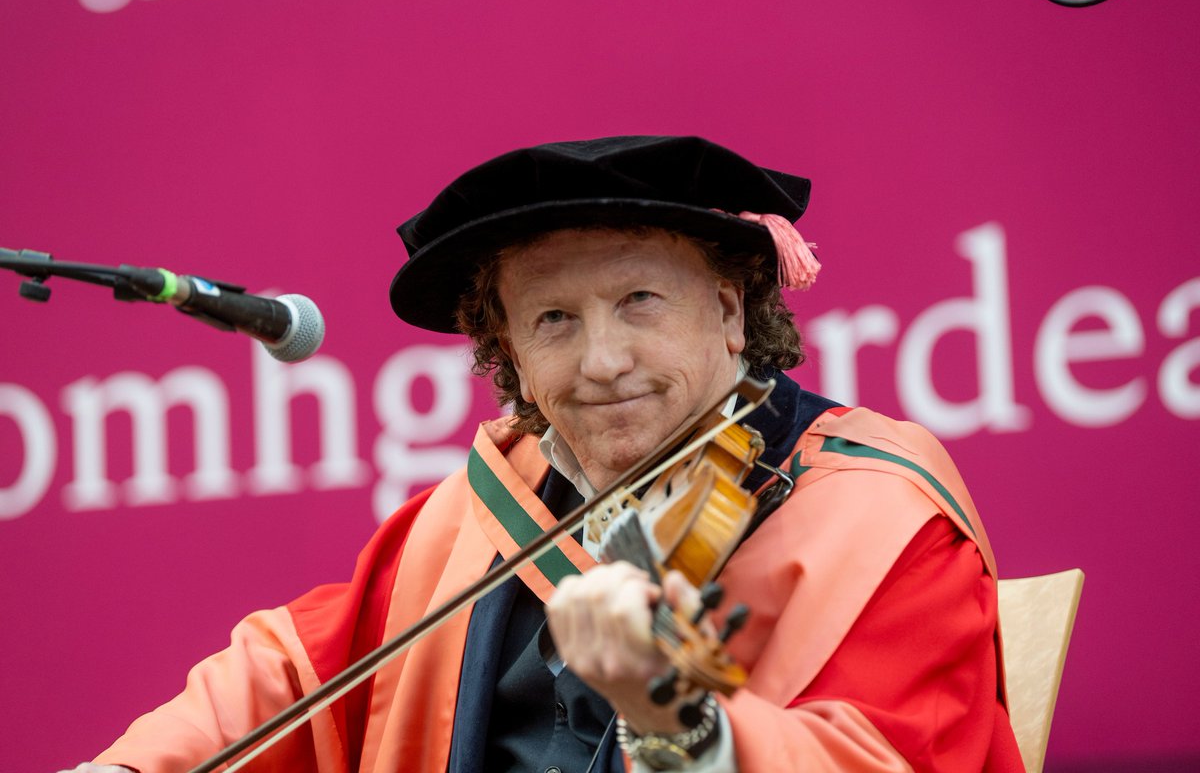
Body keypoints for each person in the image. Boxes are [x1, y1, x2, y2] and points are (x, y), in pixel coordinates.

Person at [64, 135, 1023, 772]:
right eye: (555, 320)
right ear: (510, 351)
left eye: (640, 302)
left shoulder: (877, 510)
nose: (604, 363)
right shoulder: (486, 509)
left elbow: (889, 755)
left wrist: (683, 721)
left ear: (731, 311)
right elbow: (293, 670)